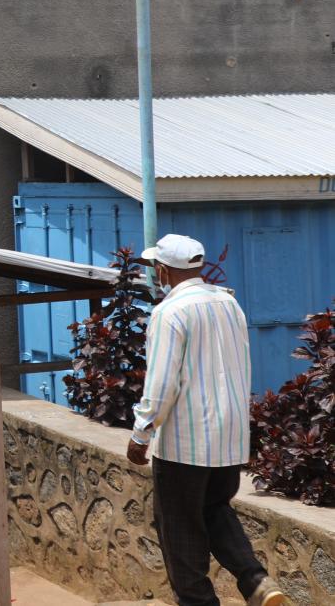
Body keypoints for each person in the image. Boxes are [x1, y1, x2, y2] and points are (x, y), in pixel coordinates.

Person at [128, 234, 289, 606]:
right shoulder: (229, 304)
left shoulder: (169, 312)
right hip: (228, 437)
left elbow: (161, 383)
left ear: (163, 271)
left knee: (178, 528)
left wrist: (141, 432)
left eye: (154, 268)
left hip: (185, 442)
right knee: (215, 510)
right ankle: (256, 581)